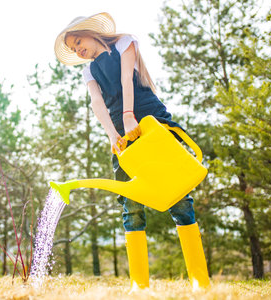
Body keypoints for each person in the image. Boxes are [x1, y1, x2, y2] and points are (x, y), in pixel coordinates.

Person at [54, 12, 210, 291]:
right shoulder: (88, 70)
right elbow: (96, 103)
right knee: (131, 204)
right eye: (73, 48)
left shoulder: (125, 43)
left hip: (150, 121)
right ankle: (140, 286)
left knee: (179, 197)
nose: (77, 49)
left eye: (78, 41)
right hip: (121, 136)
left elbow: (127, 79)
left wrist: (129, 116)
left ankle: (200, 282)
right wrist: (113, 134)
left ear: (91, 32)